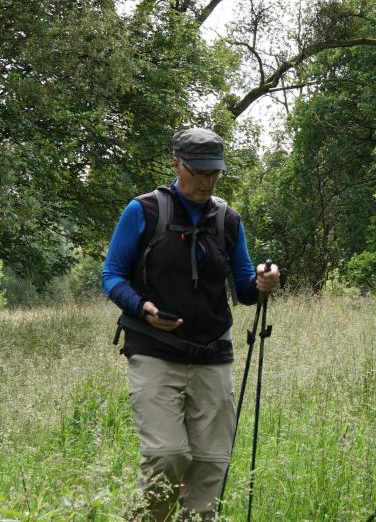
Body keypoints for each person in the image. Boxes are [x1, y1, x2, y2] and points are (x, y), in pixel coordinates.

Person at [101, 127, 280, 521]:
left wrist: (265, 283)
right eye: (197, 172)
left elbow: (246, 290)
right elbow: (111, 276)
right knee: (168, 455)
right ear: (176, 164)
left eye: (213, 173)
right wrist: (142, 306)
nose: (205, 181)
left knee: (211, 464)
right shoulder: (144, 210)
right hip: (154, 350)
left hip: (213, 355)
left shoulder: (228, 220)